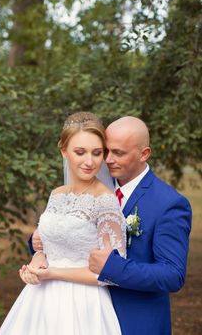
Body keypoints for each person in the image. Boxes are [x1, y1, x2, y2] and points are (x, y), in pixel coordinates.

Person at [30, 116, 192, 335]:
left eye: (119, 153)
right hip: (77, 312)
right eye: (105, 151)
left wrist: (113, 268)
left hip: (134, 321)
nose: (107, 160)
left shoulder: (168, 203)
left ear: (144, 154)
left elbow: (173, 275)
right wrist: (38, 244)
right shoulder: (85, 189)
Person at [0, 112, 126, 335]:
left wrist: (53, 274)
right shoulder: (56, 194)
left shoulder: (105, 202)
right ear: (64, 151)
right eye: (80, 152)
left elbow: (111, 273)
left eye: (97, 153)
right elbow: (47, 246)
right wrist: (36, 263)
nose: (90, 161)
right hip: (40, 300)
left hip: (84, 304)